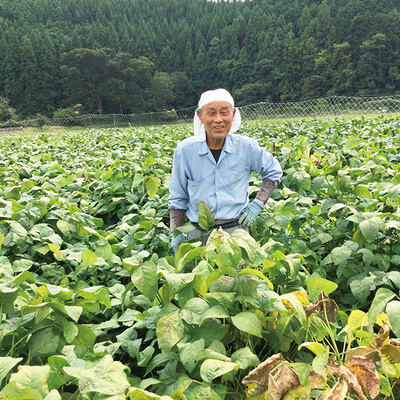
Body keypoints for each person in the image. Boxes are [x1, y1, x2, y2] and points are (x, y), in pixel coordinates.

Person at [168, 88, 282, 253]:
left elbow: (273, 171)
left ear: (233, 114)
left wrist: (257, 204)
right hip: (197, 236)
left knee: (237, 276)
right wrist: (175, 231)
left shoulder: (246, 147)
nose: (218, 119)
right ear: (201, 116)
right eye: (211, 113)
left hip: (236, 233)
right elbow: (177, 197)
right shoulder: (185, 151)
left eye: (224, 112)